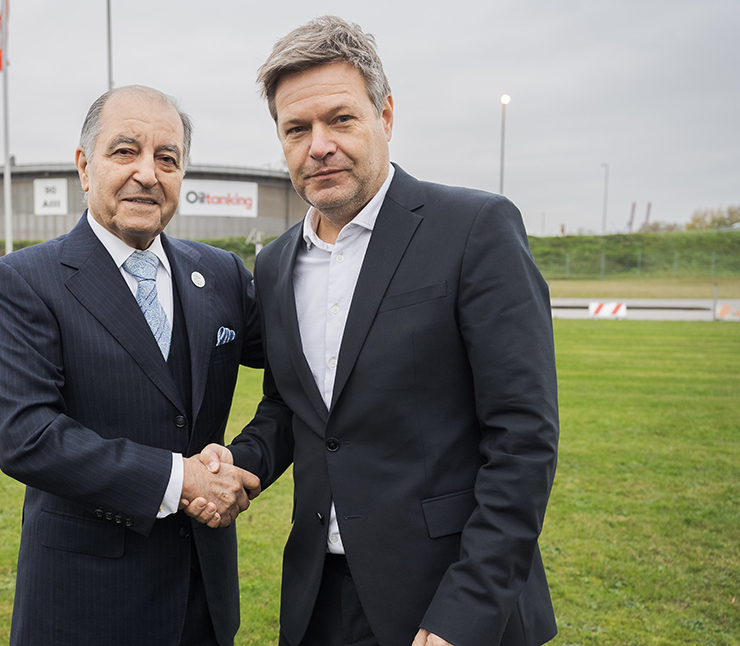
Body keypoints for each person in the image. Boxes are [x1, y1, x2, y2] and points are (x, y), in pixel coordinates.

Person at [190, 16, 559, 646]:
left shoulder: (474, 229)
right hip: (319, 597)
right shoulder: (276, 263)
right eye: (297, 129)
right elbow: (294, 408)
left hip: (446, 597)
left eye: (341, 119)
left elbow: (522, 440)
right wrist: (242, 464)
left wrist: (462, 617)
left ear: (384, 116)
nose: (319, 145)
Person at [0, 85, 263, 646]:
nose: (148, 174)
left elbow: (299, 380)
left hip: (203, 600)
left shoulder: (224, 274)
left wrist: (244, 462)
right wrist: (182, 479)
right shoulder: (25, 281)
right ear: (85, 167)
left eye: (167, 159)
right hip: (86, 606)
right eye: (125, 151)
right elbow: (26, 436)